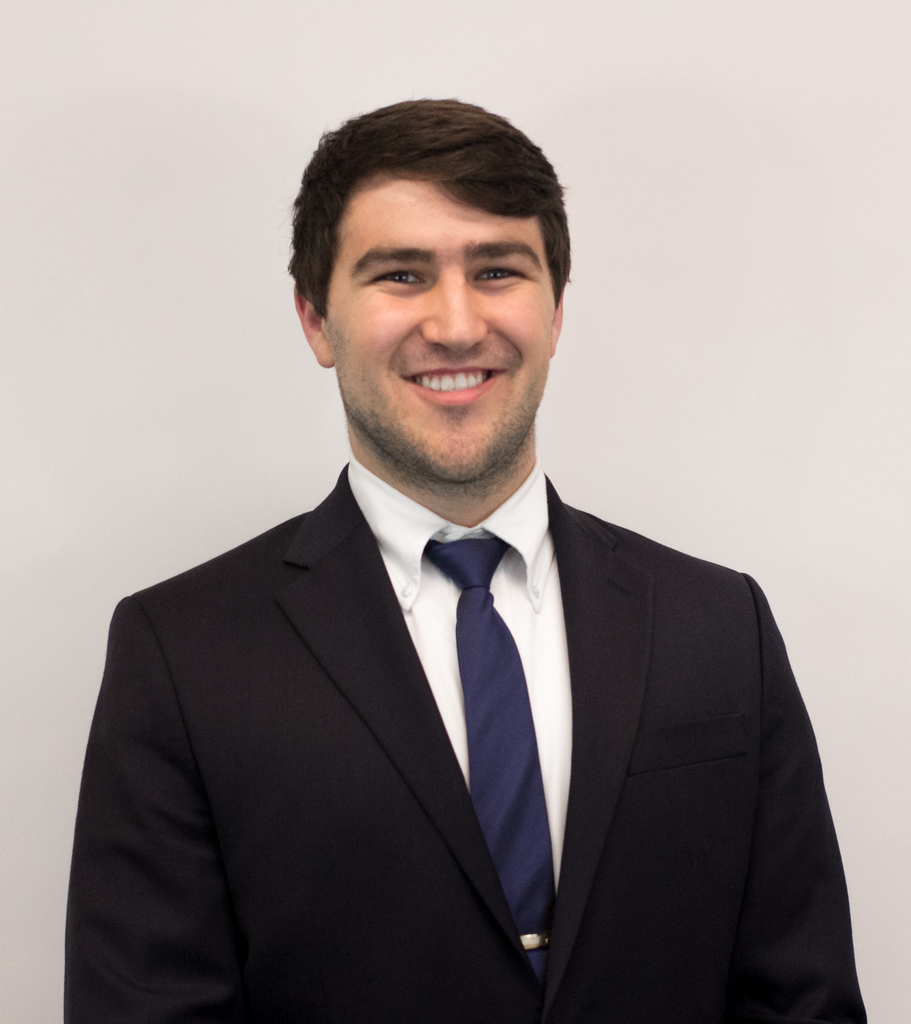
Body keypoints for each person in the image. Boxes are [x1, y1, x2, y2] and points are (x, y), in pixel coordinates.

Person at [65, 99, 866, 1024]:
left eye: (496, 270)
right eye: (400, 274)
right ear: (316, 322)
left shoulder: (719, 627)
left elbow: (802, 1002)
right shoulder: (182, 654)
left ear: (555, 311)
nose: (453, 325)